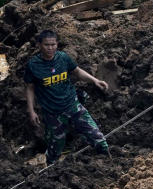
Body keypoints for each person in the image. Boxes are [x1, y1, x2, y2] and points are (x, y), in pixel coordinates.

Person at [23, 30, 110, 165]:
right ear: (39, 45)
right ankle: (51, 171)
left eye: (53, 44)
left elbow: (77, 71)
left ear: (57, 44)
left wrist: (95, 80)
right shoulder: (33, 65)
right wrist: (31, 110)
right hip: (52, 114)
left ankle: (108, 163)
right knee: (55, 151)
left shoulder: (63, 58)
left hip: (73, 106)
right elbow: (30, 87)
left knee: (98, 138)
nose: (50, 48)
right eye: (47, 45)